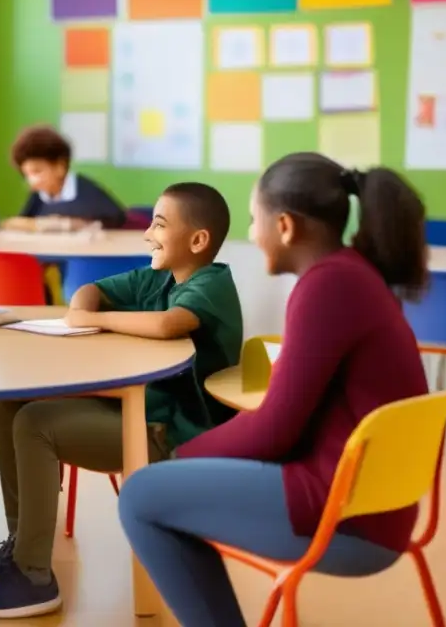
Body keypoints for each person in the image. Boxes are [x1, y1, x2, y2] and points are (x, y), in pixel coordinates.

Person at [118, 153, 430, 627]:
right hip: (373, 504)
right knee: (167, 489)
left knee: (140, 496)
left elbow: (274, 431)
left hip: (344, 516)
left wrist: (184, 452)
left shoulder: (328, 286)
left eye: (252, 219)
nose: (249, 232)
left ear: (283, 225)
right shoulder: (352, 276)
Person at [0, 182, 242, 618]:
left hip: (171, 435)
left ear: (198, 240)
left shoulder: (212, 283)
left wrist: (92, 319)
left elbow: (171, 324)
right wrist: (83, 309)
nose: (147, 233)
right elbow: (91, 290)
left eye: (158, 223)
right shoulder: (159, 276)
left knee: (34, 422)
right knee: (10, 401)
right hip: (133, 408)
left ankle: (35, 576)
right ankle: (22, 546)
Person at [3, 126, 125, 231]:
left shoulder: (87, 192)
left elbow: (113, 220)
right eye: (27, 175)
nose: (32, 181)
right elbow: (21, 221)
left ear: (60, 167)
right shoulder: (38, 196)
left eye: (37, 172)